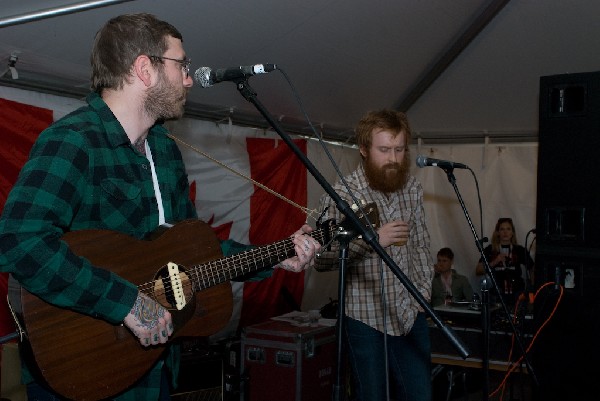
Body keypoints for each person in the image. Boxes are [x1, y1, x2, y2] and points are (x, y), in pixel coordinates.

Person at [0, 13, 320, 401]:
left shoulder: (165, 151)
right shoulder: (73, 141)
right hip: (80, 363)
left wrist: (276, 255)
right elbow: (21, 241)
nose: (188, 77)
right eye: (181, 63)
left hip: (154, 365)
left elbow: (190, 253)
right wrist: (125, 302)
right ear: (144, 68)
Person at [314, 109, 433, 401]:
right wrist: (372, 240)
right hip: (365, 319)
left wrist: (423, 294)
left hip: (409, 314)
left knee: (420, 394)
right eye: (384, 150)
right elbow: (322, 257)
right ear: (364, 150)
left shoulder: (412, 188)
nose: (393, 158)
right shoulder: (342, 194)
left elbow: (421, 246)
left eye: (399, 149)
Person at [475, 217, 534, 305]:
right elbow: (478, 270)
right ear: (498, 233)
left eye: (508, 229)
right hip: (497, 294)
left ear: (512, 233)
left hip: (517, 294)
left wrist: (531, 289)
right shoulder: (490, 250)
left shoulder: (519, 250)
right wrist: (495, 261)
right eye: (502, 229)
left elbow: (532, 268)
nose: (505, 232)